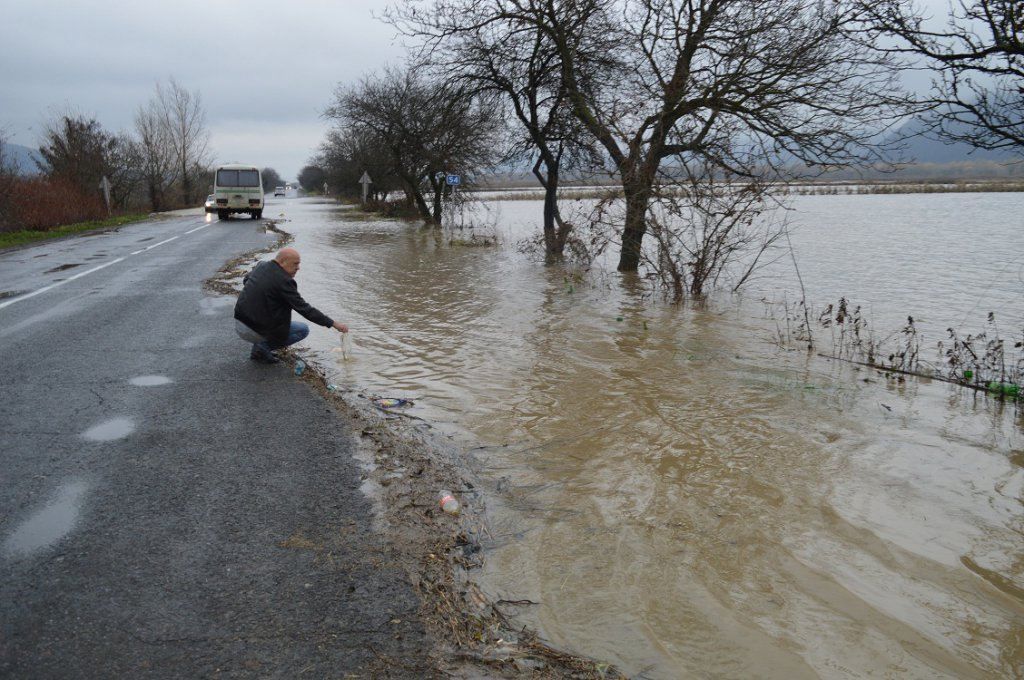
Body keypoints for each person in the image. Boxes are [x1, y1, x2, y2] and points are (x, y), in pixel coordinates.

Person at [233, 247, 348, 364]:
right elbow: (305, 309)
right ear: (282, 262)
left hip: (239, 321)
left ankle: (260, 346)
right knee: (302, 329)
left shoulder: (261, 266)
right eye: (295, 264)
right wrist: (334, 324)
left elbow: (246, 280)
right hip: (252, 330)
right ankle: (262, 348)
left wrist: (265, 299)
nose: (298, 268)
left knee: (273, 317)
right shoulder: (284, 281)